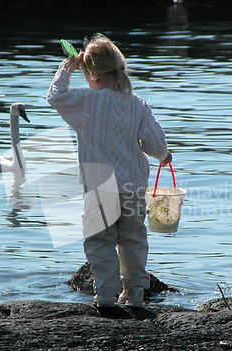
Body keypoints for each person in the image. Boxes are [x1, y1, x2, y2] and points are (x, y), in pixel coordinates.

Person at [47, 33, 172, 308]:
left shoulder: (85, 102)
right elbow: (155, 142)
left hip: (98, 186)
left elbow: (55, 97)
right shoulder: (137, 104)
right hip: (132, 186)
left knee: (100, 241)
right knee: (133, 240)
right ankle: (134, 295)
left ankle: (105, 295)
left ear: (90, 73)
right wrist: (163, 156)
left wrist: (66, 67)